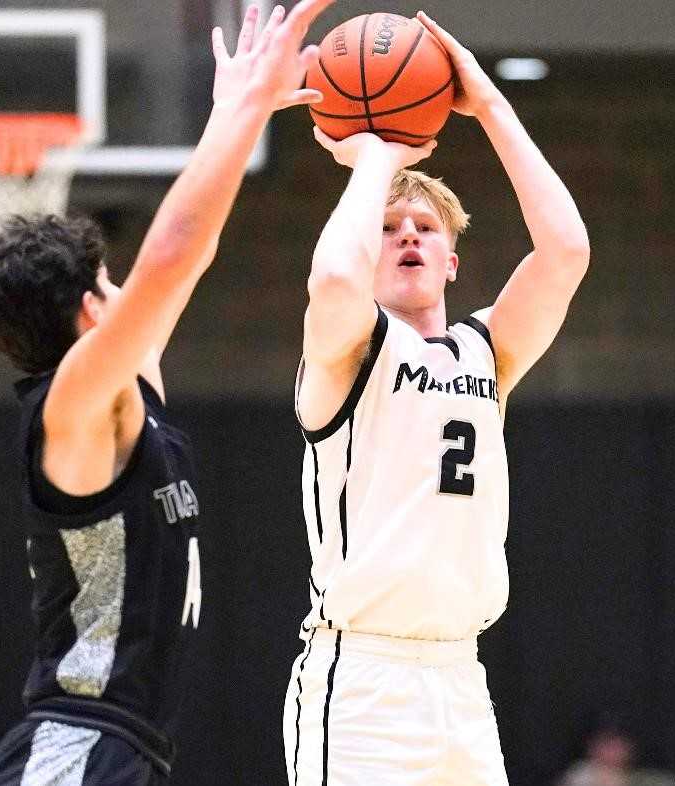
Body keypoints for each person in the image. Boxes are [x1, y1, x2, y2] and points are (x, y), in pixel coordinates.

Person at [0, 3, 334, 784]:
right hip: (74, 742)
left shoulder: (128, 390)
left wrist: (241, 110)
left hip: (121, 747)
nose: (128, 290)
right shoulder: (73, 408)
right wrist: (240, 111)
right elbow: (171, 253)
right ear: (92, 312)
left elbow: (185, 263)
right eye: (108, 281)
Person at [283, 11, 590, 786]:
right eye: (389, 228)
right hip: (360, 684)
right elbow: (332, 281)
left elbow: (566, 252)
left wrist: (490, 105)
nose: (408, 235)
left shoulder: (488, 351)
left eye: (425, 226)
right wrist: (376, 160)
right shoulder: (347, 353)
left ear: (452, 261)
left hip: (459, 676)